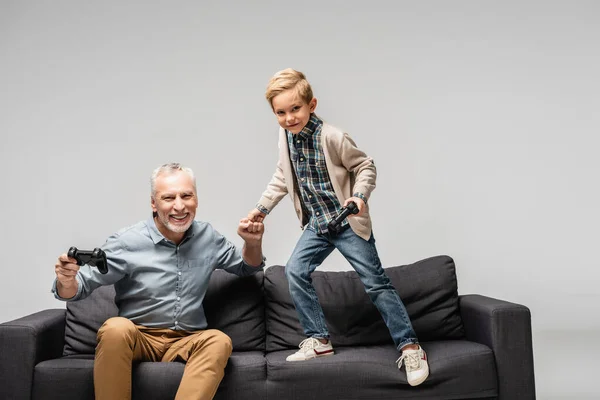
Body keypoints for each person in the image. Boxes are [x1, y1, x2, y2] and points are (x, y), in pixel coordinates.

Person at [247, 69, 429, 386]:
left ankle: (411, 346)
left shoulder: (332, 137)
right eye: (281, 112)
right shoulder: (285, 138)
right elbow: (282, 176)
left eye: (295, 109)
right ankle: (319, 341)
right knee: (295, 271)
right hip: (318, 224)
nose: (289, 118)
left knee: (375, 283)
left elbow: (365, 166)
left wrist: (359, 196)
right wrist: (261, 209)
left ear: (311, 104)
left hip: (346, 221)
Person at [53, 163, 265, 400]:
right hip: (138, 338)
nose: (179, 206)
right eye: (168, 198)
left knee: (218, 340)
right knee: (115, 328)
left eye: (186, 196)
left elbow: (248, 267)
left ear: (196, 199)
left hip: (188, 339)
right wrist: (66, 279)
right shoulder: (127, 241)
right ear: (154, 203)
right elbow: (77, 288)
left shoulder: (208, 237)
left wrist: (253, 243)